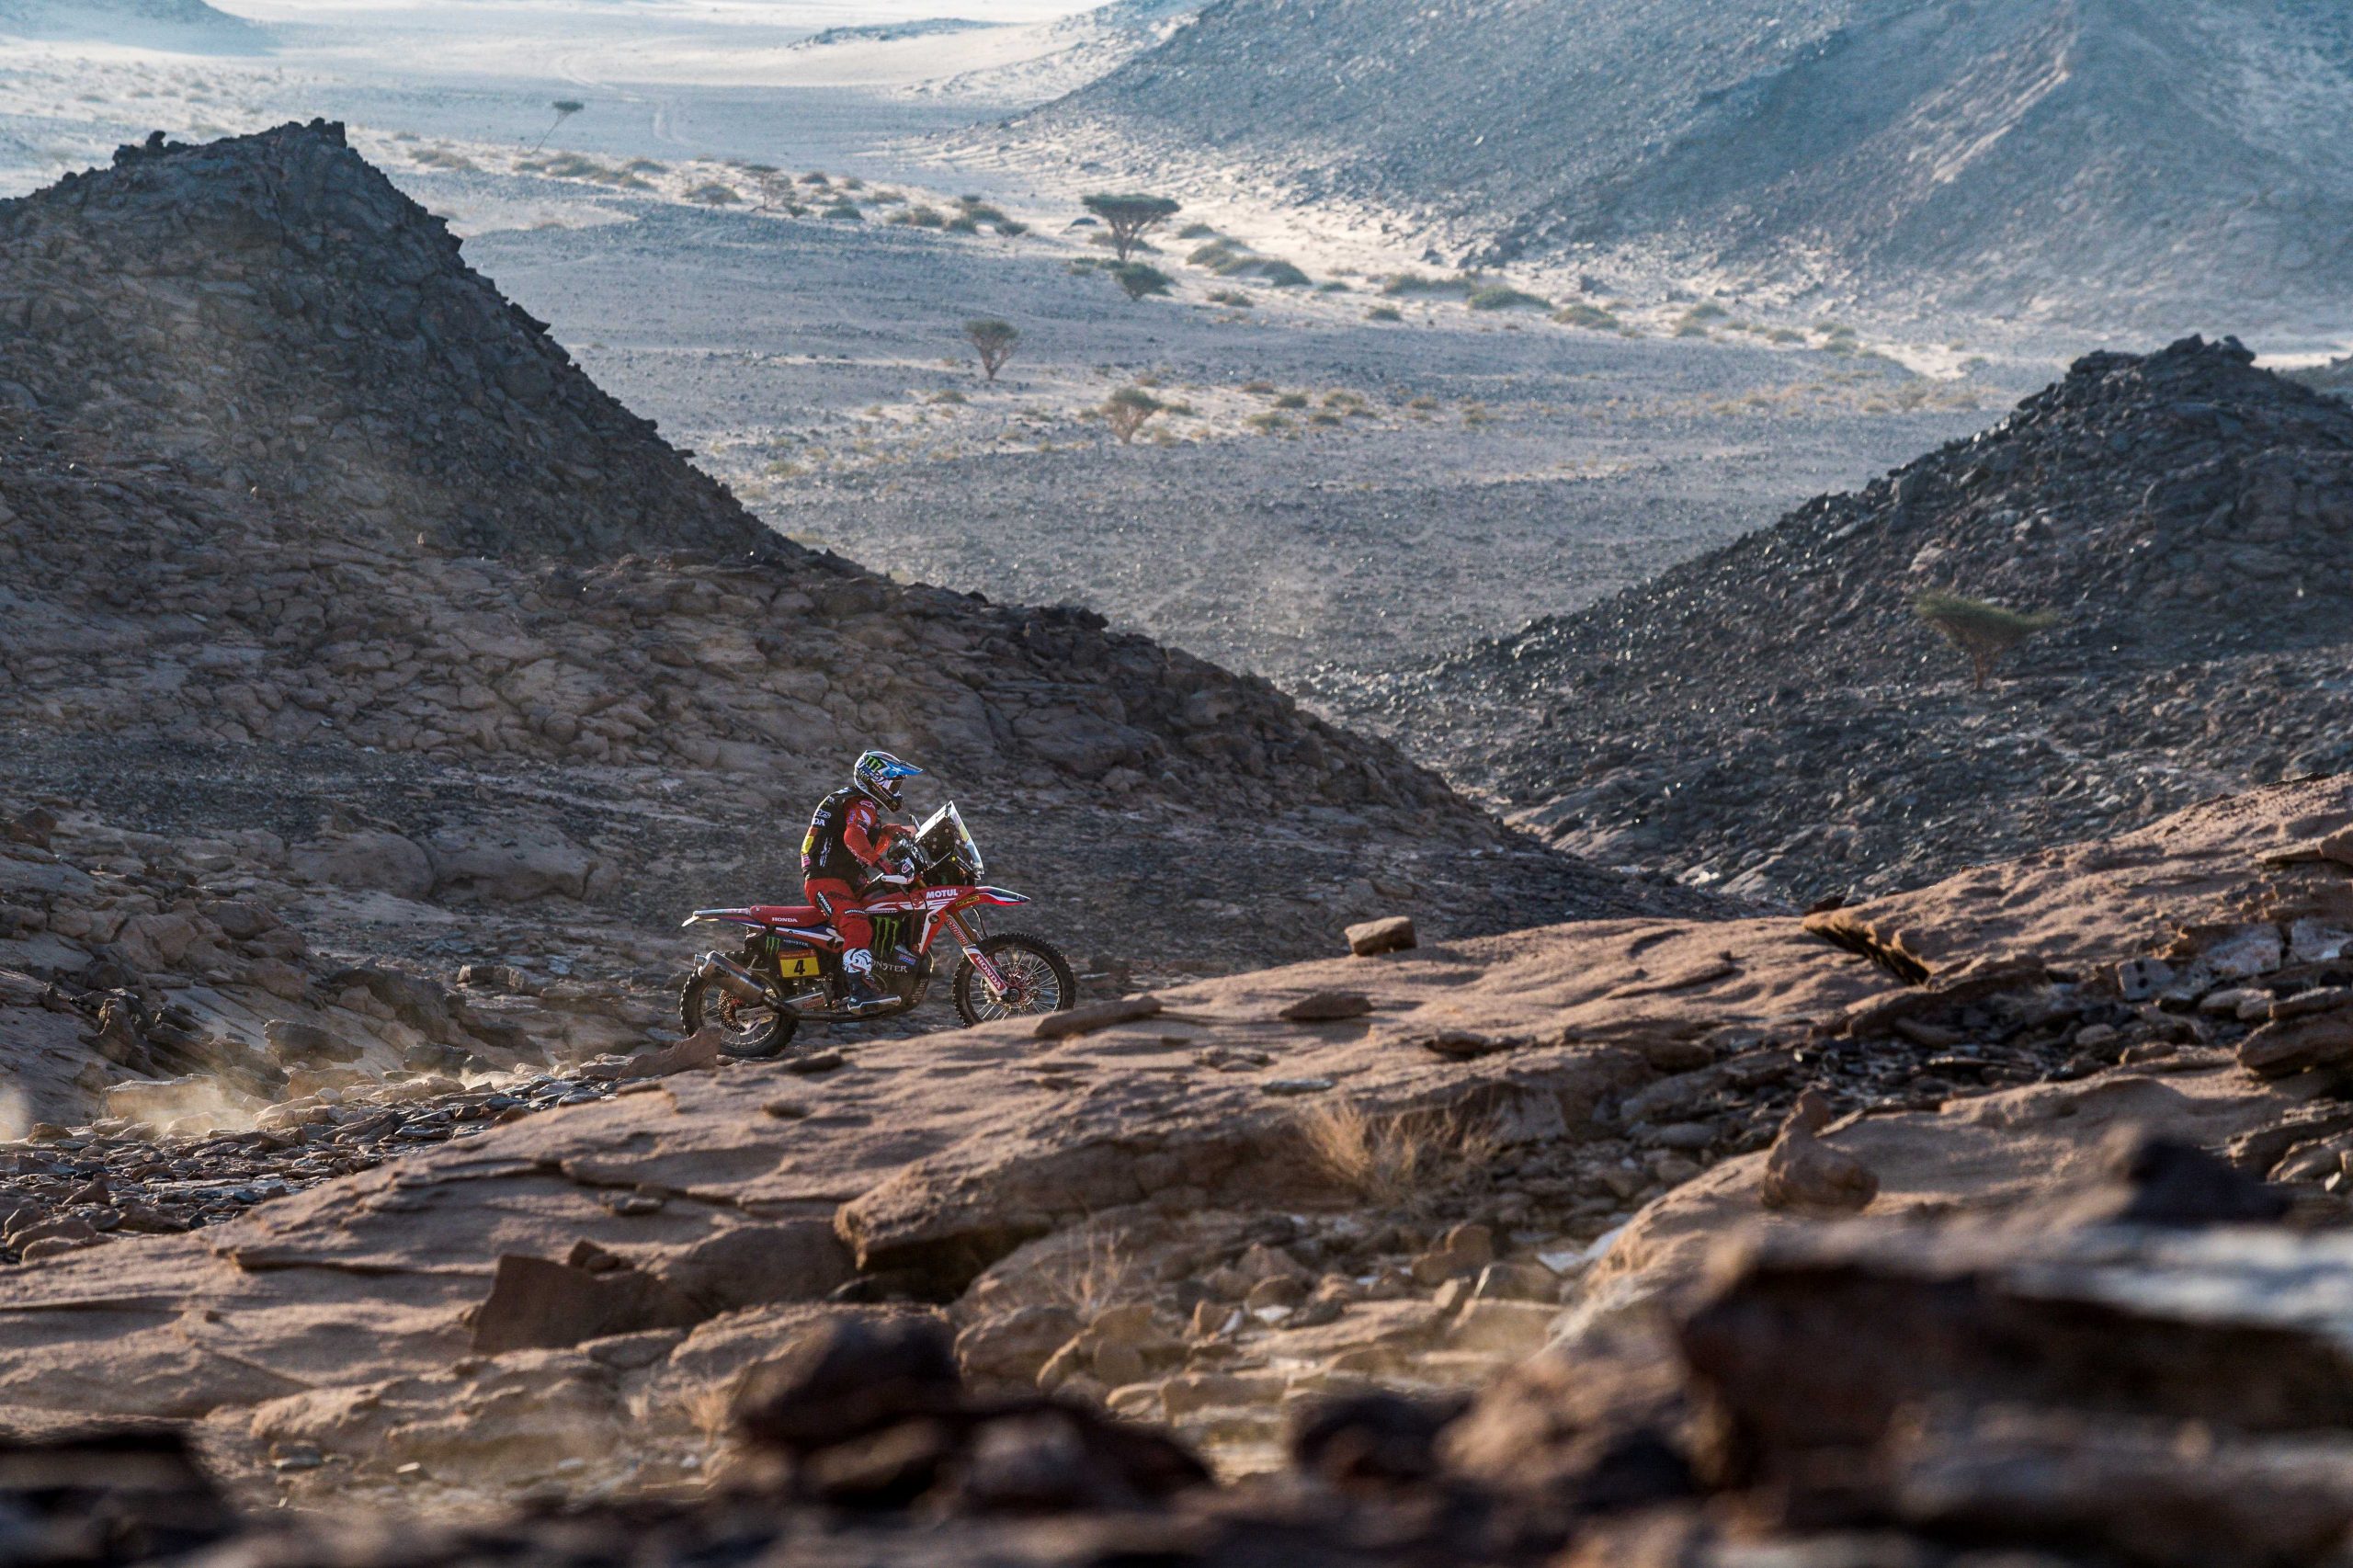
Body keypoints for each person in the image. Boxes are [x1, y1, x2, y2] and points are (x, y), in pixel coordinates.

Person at [801, 750, 925, 1012]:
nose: (897, 790)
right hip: (826, 880)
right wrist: (883, 864)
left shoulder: (859, 804)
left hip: (842, 881)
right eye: (894, 783)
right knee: (856, 922)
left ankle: (854, 975)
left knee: (882, 905)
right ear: (875, 781)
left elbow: (865, 837)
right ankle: (859, 991)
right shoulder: (861, 804)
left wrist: (891, 833)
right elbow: (852, 838)